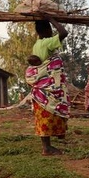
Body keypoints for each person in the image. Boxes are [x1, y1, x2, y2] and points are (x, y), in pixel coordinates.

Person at [26, 17, 70, 156]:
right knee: (46, 116)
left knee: (44, 116)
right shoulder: (46, 42)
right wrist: (52, 19)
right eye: (50, 28)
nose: (52, 31)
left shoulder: (37, 44)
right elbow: (64, 33)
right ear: (46, 30)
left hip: (41, 89)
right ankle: (47, 148)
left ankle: (49, 144)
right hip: (47, 87)